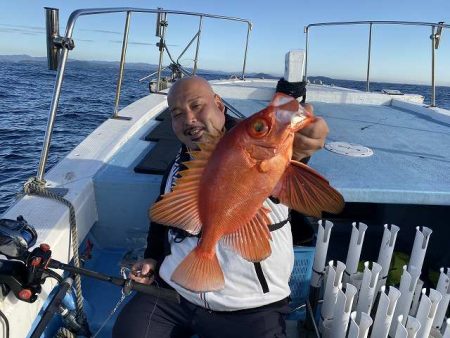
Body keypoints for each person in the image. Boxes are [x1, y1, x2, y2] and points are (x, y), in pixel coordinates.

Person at [113, 76, 329, 338]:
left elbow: (292, 161)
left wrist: (304, 146)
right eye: (177, 114)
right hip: (174, 291)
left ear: (219, 105)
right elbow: (162, 220)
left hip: (251, 306)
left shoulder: (260, 152)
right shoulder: (181, 162)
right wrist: (153, 257)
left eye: (197, 106)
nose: (189, 119)